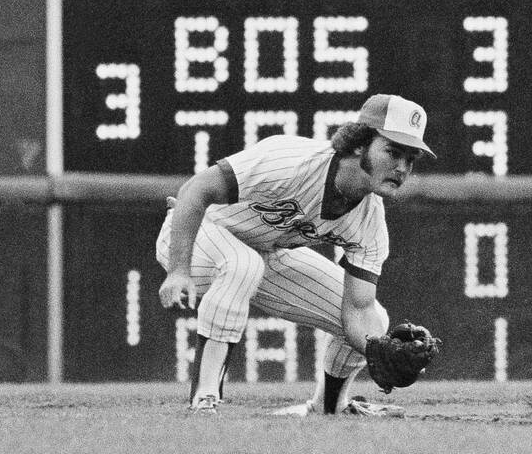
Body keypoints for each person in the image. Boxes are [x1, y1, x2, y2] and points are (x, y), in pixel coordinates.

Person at [156, 93, 435, 416]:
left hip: (263, 253)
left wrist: (378, 350)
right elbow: (195, 190)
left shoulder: (370, 223)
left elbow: (357, 312)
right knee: (241, 265)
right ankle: (204, 400)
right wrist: (178, 270)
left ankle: (328, 407)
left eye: (410, 158)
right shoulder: (292, 161)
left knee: (377, 319)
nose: (402, 167)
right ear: (360, 144)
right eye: (393, 151)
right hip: (195, 236)